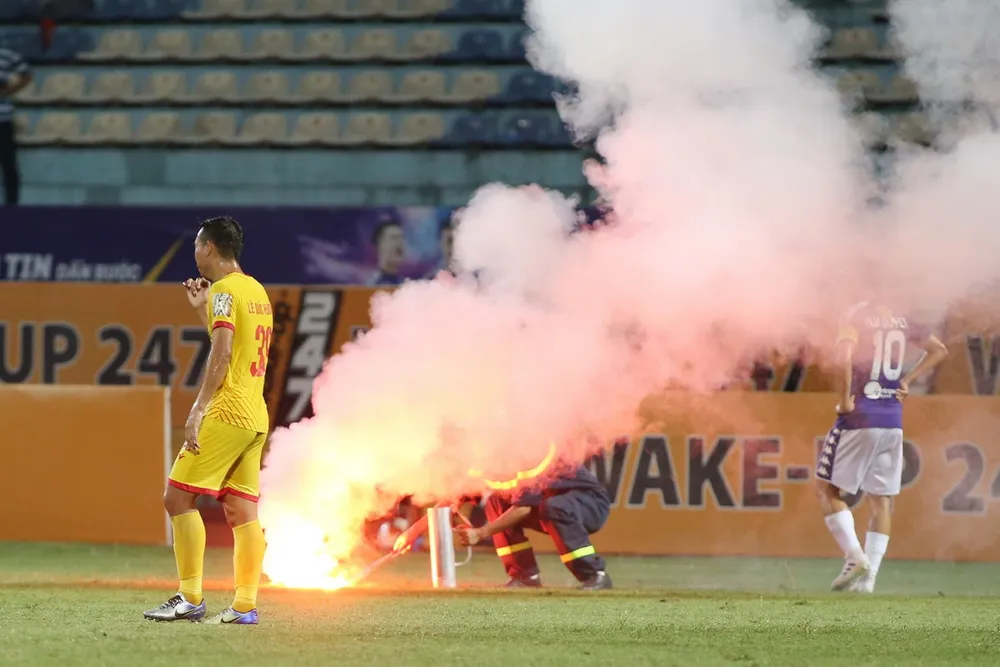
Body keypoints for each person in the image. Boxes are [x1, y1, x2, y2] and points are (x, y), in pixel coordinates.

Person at [144, 216, 273, 625]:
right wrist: (202, 310)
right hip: (254, 415)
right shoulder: (256, 290)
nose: (195, 254)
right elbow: (232, 346)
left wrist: (199, 407)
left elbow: (221, 355)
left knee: (176, 498)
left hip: (227, 411)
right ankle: (244, 607)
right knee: (241, 511)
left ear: (210, 248)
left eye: (197, 246)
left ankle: (190, 597)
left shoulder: (223, 290)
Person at [815, 300, 948, 593]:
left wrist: (845, 399)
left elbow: (844, 356)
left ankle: (854, 556)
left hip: (860, 416)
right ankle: (868, 581)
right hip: (892, 420)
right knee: (882, 500)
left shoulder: (856, 313)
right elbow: (940, 350)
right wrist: (907, 380)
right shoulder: (904, 316)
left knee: (827, 489)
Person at [455, 465, 613, 591]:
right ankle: (524, 577)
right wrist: (452, 505)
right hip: (550, 504)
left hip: (591, 505)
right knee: (496, 502)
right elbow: (470, 491)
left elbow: (523, 508)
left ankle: (595, 575)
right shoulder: (494, 458)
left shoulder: (531, 454)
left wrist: (480, 533)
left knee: (554, 506)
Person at [0, 47, 30, 206]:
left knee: (9, 164)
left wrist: (9, 91)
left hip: (3, 118)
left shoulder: (7, 55)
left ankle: (12, 206)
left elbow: (26, 75)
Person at [368, 220, 407, 286]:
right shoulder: (372, 285)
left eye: (402, 238)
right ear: (380, 243)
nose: (400, 242)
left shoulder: (404, 283)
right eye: (394, 238)